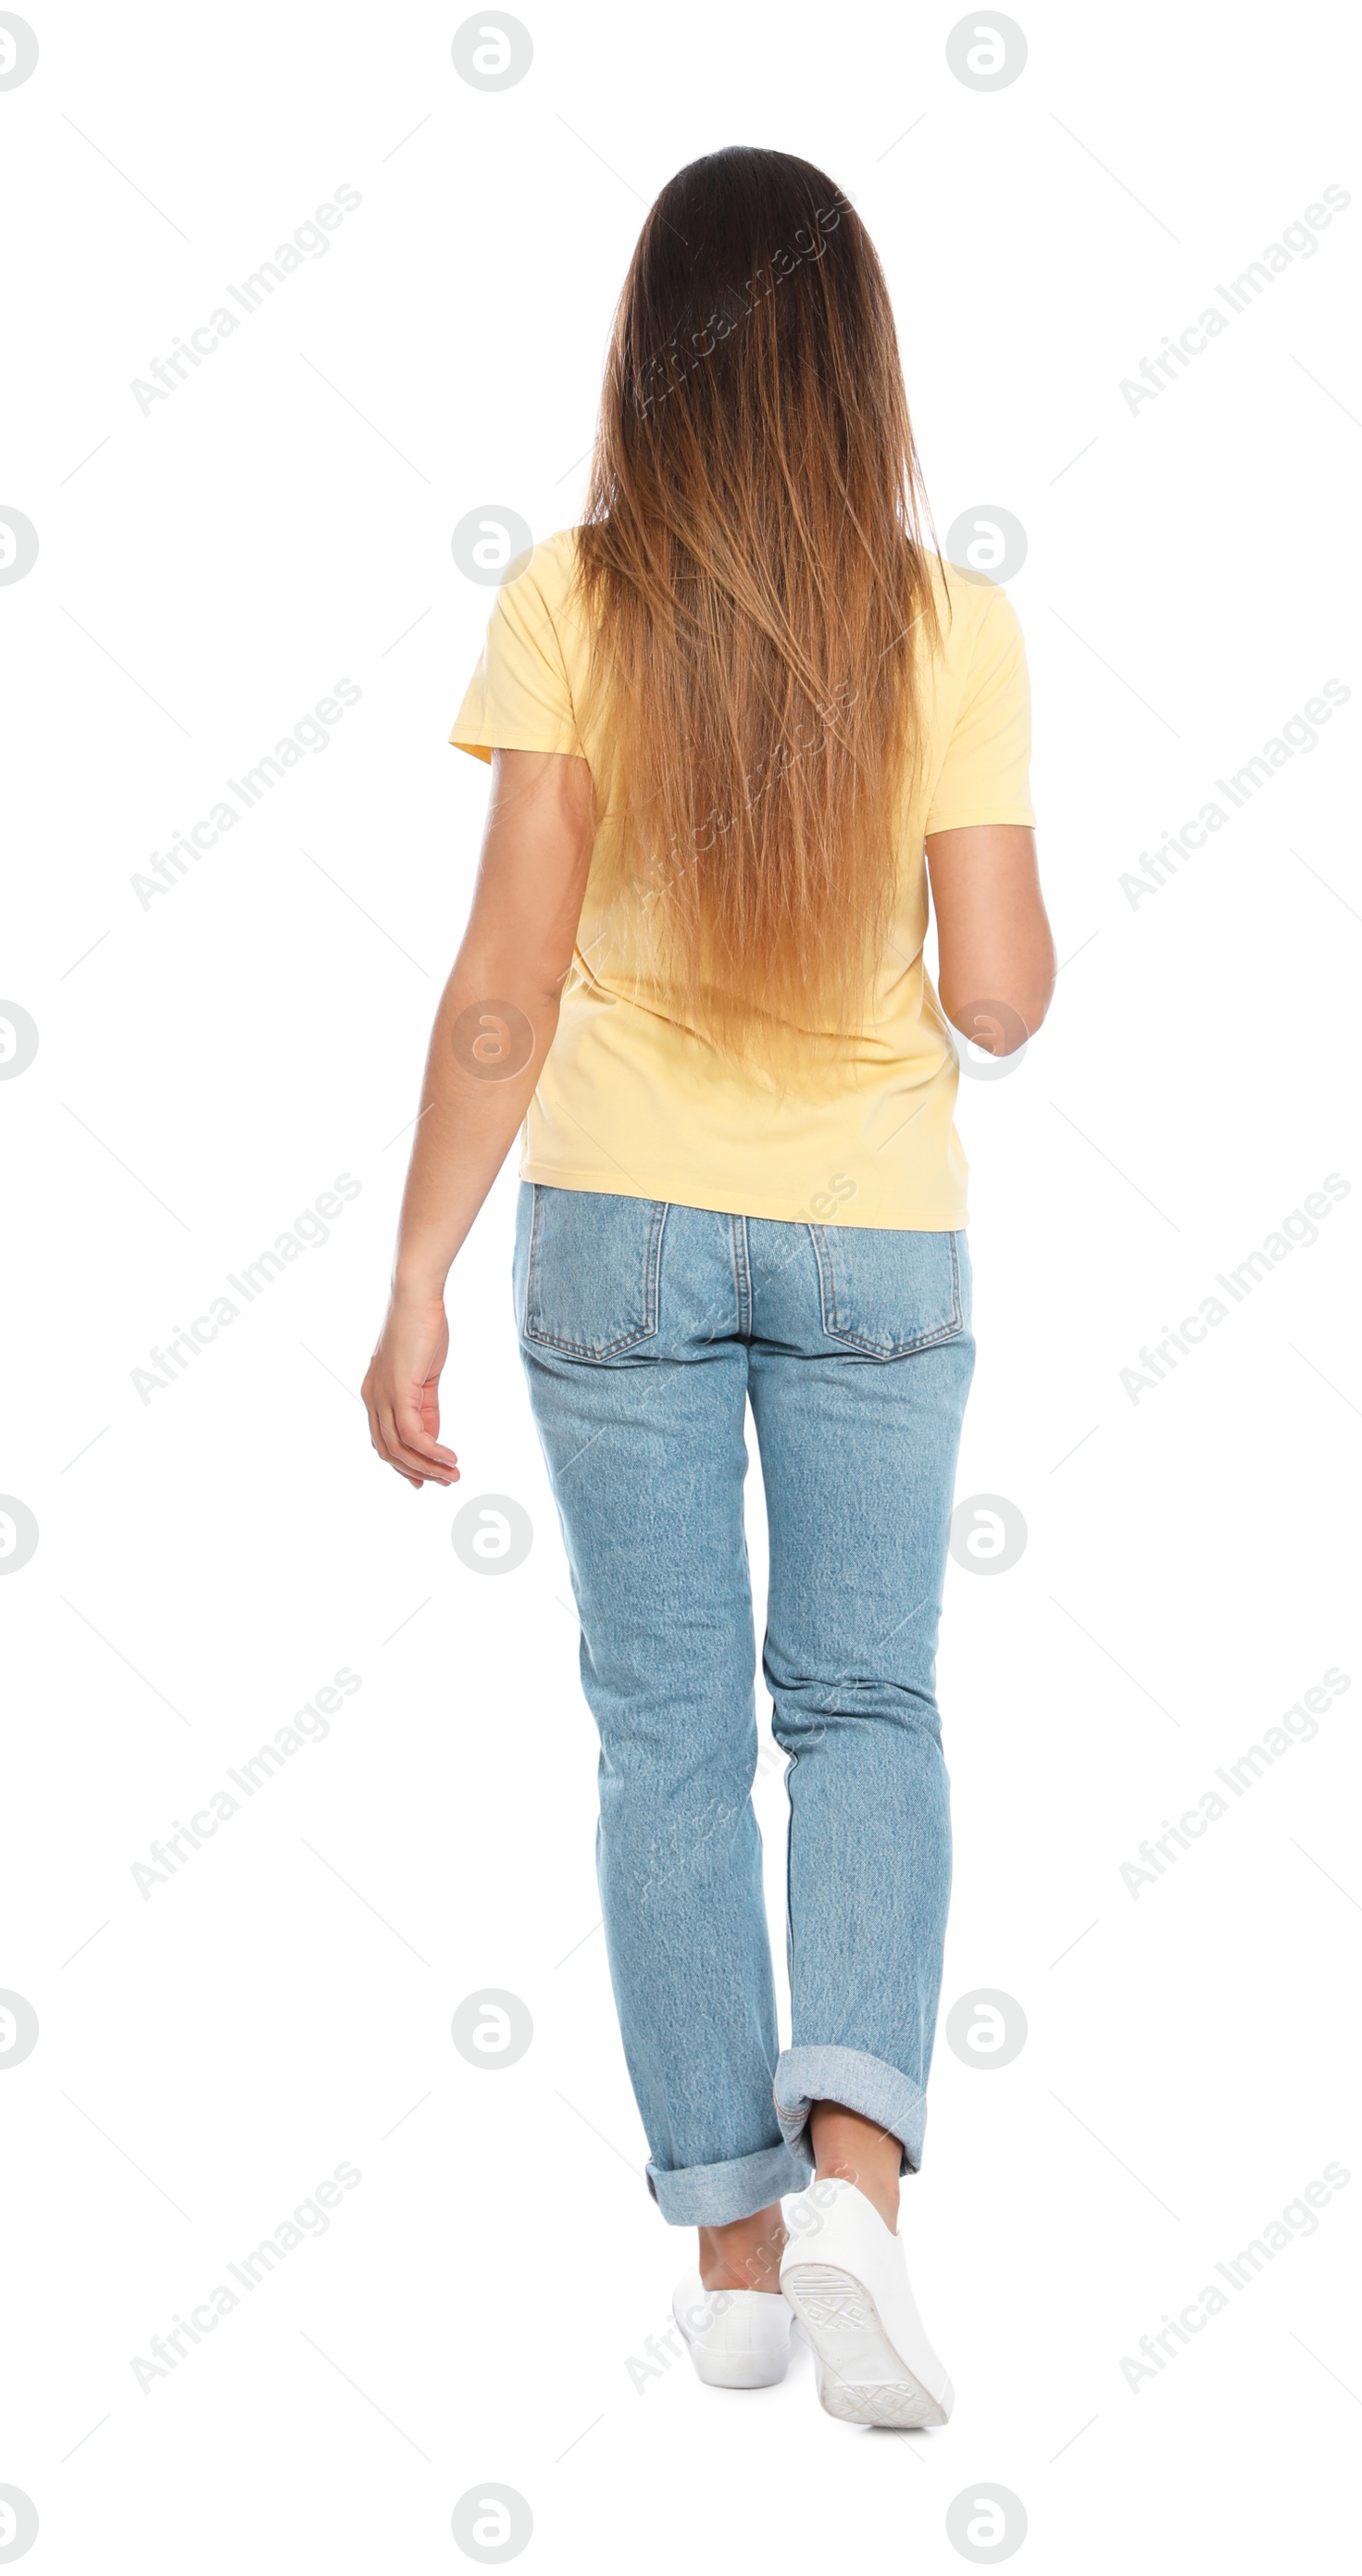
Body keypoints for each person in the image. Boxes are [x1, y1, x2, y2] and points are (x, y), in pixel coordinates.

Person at [361, 144, 1054, 2429]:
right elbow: (1006, 990)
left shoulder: (574, 598)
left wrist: (415, 1271)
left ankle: (737, 2262)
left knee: (664, 1737)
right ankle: (859, 2174)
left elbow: (503, 973)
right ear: (861, 366)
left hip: (616, 1229)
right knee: (860, 1704)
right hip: (872, 1231)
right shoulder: (945, 625)